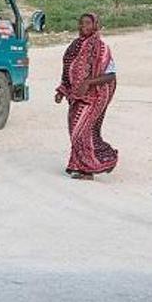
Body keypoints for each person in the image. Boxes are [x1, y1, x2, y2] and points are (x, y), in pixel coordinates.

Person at [55, 13, 118, 179]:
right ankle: (85, 164)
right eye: (81, 23)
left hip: (96, 95)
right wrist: (61, 90)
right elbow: (67, 69)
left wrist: (88, 83)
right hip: (76, 96)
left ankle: (90, 169)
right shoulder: (74, 46)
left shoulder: (102, 47)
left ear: (95, 25)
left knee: (81, 130)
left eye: (87, 23)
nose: (83, 26)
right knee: (74, 130)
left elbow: (111, 75)